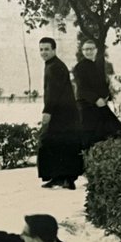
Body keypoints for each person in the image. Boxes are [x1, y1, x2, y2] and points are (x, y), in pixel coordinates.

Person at [37, 37, 83, 190]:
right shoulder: (52, 65)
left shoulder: (55, 67)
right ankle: (61, 178)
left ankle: (64, 179)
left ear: (54, 50)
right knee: (61, 144)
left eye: (46, 49)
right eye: (41, 49)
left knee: (53, 142)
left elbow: (54, 92)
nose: (43, 52)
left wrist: (48, 111)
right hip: (64, 113)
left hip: (61, 113)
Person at [72, 39, 121, 149]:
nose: (88, 52)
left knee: (114, 129)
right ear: (82, 51)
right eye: (85, 49)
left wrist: (106, 96)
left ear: (96, 50)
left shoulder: (97, 65)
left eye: (90, 49)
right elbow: (82, 88)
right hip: (86, 105)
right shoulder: (79, 67)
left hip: (99, 103)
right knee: (90, 135)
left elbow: (102, 85)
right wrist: (96, 99)